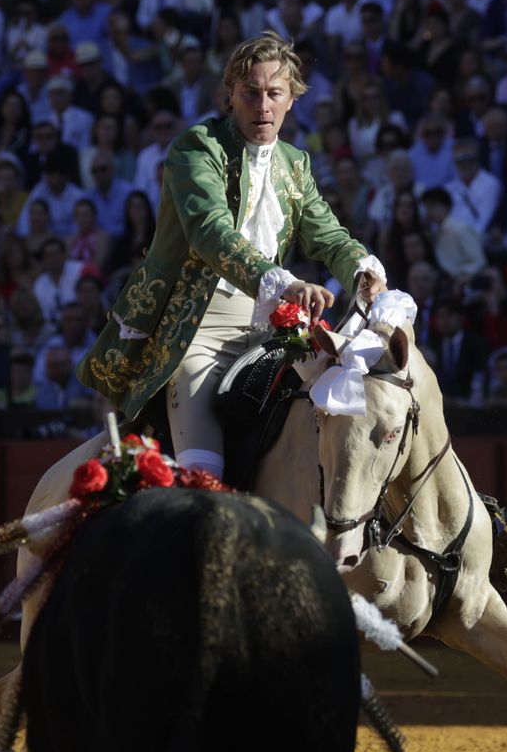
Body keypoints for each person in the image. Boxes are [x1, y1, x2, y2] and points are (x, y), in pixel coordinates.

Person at [75, 32, 384, 479]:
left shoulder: (295, 163)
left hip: (275, 334)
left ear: (291, 100)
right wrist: (285, 283)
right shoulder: (196, 148)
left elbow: (329, 236)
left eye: (274, 94)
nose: (263, 106)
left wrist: (362, 269)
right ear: (230, 95)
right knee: (206, 481)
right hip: (197, 330)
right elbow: (210, 232)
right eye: (250, 93)